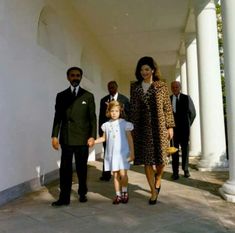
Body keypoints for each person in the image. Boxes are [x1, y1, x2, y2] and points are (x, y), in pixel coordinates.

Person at [129, 56, 175, 205]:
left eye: (147, 69)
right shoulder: (135, 88)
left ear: (153, 70)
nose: (144, 72)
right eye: (141, 70)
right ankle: (153, 192)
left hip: (159, 126)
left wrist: (170, 126)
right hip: (141, 127)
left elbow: (167, 107)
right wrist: (131, 127)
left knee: (161, 160)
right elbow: (133, 108)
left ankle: (159, 177)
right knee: (147, 161)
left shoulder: (161, 86)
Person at [51, 66, 97, 206]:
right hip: (66, 138)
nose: (75, 77)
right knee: (65, 169)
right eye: (72, 75)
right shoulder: (61, 95)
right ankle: (64, 198)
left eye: (78, 75)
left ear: (81, 77)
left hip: (83, 139)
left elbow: (92, 118)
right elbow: (57, 117)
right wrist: (54, 135)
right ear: (68, 77)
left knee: (81, 168)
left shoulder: (88, 96)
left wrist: (92, 136)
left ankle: (82, 192)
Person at [95, 100, 134, 204]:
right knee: (116, 175)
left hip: (123, 153)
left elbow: (130, 139)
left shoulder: (125, 124)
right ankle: (118, 195)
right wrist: (94, 141)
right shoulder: (106, 125)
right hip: (112, 154)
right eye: (112, 111)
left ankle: (125, 191)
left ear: (120, 111)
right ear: (109, 112)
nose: (114, 113)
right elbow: (104, 138)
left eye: (116, 111)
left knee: (123, 174)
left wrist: (132, 153)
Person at [98, 81, 130, 181]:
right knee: (107, 152)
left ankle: (120, 172)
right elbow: (101, 116)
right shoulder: (103, 100)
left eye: (113, 87)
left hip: (120, 132)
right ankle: (106, 174)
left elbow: (129, 115)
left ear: (117, 87)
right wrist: (100, 131)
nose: (111, 89)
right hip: (107, 131)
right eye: (109, 87)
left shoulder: (124, 99)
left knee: (120, 152)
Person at [170, 81, 196, 180]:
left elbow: (192, 113)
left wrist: (188, 125)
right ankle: (175, 172)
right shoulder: (169, 99)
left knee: (185, 150)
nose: (175, 88)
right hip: (173, 130)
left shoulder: (186, 98)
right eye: (173, 87)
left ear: (180, 88)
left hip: (184, 130)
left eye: (176, 87)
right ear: (171, 88)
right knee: (174, 151)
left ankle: (186, 170)